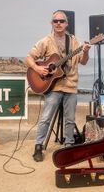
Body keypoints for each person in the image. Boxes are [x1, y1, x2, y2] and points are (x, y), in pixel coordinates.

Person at [26, 10, 91, 162]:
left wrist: (86, 51)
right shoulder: (46, 41)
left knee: (70, 119)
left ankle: (68, 146)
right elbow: (29, 57)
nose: (59, 24)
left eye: (62, 21)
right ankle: (39, 146)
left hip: (71, 85)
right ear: (52, 23)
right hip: (53, 87)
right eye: (56, 21)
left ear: (67, 24)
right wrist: (37, 68)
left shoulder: (75, 41)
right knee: (46, 118)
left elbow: (84, 61)